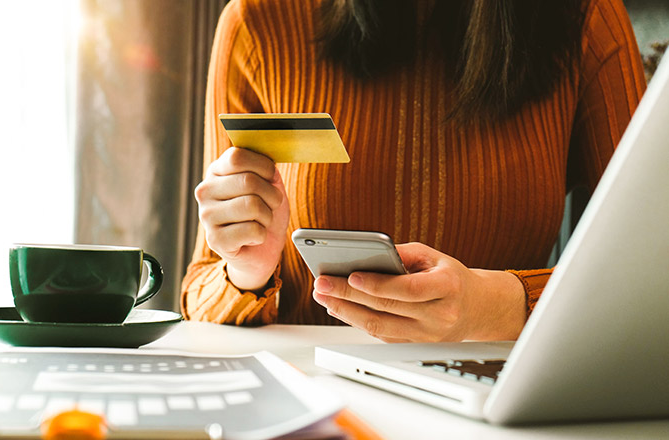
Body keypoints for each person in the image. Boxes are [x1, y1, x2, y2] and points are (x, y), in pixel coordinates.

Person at [181, 0, 646, 343]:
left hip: (497, 403)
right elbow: (200, 290)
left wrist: (500, 305)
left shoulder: (585, 19)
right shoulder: (259, 21)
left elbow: (650, 280)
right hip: (313, 404)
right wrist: (246, 270)